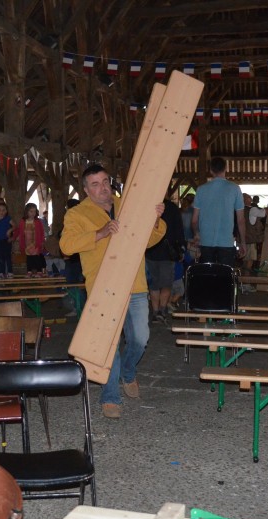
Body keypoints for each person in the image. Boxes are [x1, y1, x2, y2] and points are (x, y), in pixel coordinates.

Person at [60, 164, 166, 419]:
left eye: (105, 181)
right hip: (103, 289)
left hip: (135, 284)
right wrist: (100, 233)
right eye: (95, 184)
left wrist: (155, 219)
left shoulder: (129, 204)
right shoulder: (76, 214)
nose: (103, 188)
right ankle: (110, 397)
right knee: (109, 345)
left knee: (140, 338)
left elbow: (150, 240)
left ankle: (128, 372)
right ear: (86, 190)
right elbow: (66, 246)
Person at [191, 157, 246, 265]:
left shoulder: (201, 189)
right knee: (225, 275)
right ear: (226, 168)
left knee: (207, 275)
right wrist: (243, 242)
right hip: (226, 243)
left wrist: (196, 234)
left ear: (211, 170)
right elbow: (241, 220)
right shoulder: (235, 189)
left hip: (206, 242)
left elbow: (194, 220)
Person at [145, 197, 184, 324]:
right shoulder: (172, 207)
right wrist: (181, 248)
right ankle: (161, 311)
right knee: (166, 284)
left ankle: (156, 312)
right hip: (167, 252)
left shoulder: (148, 205)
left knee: (154, 285)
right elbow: (179, 229)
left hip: (151, 251)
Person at [15, 202, 46, 277]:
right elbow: (19, 230)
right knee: (29, 258)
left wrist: (42, 241)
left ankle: (39, 271)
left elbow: (42, 231)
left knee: (37, 257)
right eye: (31, 211)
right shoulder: (23, 221)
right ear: (27, 212)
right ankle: (29, 271)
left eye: (34, 211)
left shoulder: (38, 221)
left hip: (35, 243)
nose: (33, 213)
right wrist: (15, 237)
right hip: (27, 243)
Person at [0, 201, 14, 278]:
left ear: (6, 211)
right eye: (0, 210)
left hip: (6, 240)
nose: (1, 212)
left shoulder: (8, 219)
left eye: (3, 210)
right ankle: (2, 272)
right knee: (1, 257)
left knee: (7, 256)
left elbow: (15, 226)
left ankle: (10, 272)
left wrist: (10, 230)